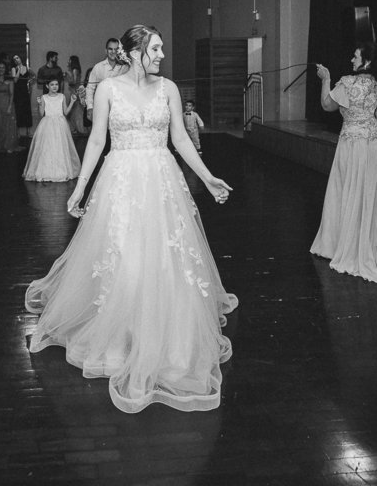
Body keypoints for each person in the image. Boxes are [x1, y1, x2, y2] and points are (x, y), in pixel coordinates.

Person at [26, 25, 236, 413]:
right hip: (120, 181)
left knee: (164, 259)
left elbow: (181, 139)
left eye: (161, 49)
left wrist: (207, 178)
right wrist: (80, 187)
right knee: (125, 258)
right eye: (155, 49)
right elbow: (96, 140)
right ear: (135, 52)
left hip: (161, 180)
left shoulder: (169, 88)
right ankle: (121, 338)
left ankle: (166, 340)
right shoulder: (106, 89)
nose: (161, 55)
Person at [310, 43, 377, 284]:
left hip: (356, 146)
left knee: (351, 192)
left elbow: (327, 105)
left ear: (367, 61)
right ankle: (374, 249)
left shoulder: (349, 83)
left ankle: (350, 247)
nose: (352, 60)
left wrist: (326, 79)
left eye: (355, 56)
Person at [22, 77, 79, 181]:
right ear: (47, 86)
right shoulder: (44, 97)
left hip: (60, 124)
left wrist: (72, 101)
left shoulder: (62, 96)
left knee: (60, 147)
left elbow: (65, 112)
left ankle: (60, 170)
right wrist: (40, 104)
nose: (54, 87)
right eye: (52, 84)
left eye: (56, 84)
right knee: (47, 147)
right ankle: (46, 170)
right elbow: (41, 114)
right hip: (48, 124)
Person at [83, 38, 123, 127]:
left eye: (116, 49)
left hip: (120, 110)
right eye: (110, 49)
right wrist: (90, 107)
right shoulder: (98, 67)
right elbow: (90, 88)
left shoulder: (125, 67)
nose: (113, 52)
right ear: (106, 51)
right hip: (102, 109)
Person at [10, 54, 34, 138]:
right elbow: (15, 80)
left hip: (25, 91)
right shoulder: (14, 69)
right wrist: (18, 70)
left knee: (27, 110)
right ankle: (18, 132)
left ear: (20, 58)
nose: (16, 60)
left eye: (17, 58)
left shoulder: (27, 68)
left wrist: (30, 81)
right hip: (17, 92)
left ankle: (29, 130)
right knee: (18, 111)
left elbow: (34, 75)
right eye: (14, 59)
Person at [66, 55, 87, 136]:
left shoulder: (74, 70)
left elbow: (74, 82)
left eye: (69, 60)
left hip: (75, 91)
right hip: (76, 91)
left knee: (75, 111)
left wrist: (67, 78)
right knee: (74, 111)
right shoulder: (76, 70)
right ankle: (77, 129)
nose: (68, 62)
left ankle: (80, 129)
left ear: (72, 61)